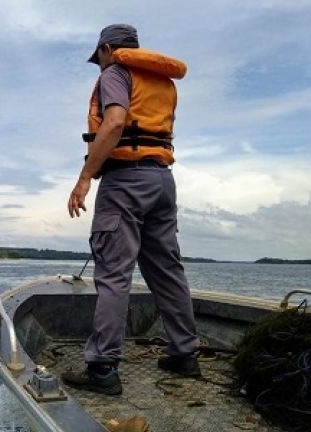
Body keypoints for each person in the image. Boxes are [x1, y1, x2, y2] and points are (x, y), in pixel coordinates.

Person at [63, 24, 200, 395]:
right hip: (162, 181)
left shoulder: (116, 73)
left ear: (107, 49)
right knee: (168, 271)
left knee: (113, 273)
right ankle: (184, 355)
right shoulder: (164, 82)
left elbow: (116, 121)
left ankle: (103, 368)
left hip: (125, 182)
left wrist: (84, 178)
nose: (100, 66)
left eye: (99, 58)